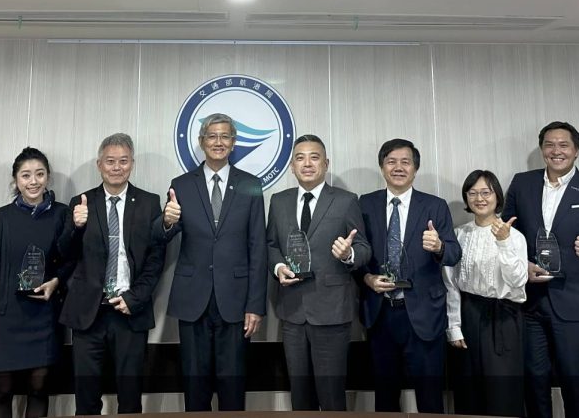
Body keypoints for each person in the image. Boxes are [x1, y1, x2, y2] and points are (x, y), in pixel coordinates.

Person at [502, 121, 579, 418]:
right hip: (530, 301)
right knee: (534, 384)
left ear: (576, 151)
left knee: (575, 386)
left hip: (577, 301)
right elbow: (506, 233)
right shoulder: (522, 184)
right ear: (542, 149)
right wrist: (521, 264)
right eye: (550, 145)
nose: (556, 151)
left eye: (564, 145)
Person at [154, 113, 267, 411]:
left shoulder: (250, 184)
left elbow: (258, 247)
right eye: (212, 136)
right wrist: (167, 221)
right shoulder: (181, 184)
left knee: (233, 388)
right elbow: (163, 234)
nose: (218, 142)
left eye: (225, 136)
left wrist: (255, 304)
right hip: (193, 299)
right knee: (195, 388)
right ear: (201, 141)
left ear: (234, 142)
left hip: (236, 300)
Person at [59, 133, 167, 415]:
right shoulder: (81, 201)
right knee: (86, 400)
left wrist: (135, 298)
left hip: (130, 312)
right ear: (99, 165)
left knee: (130, 400)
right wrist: (75, 227)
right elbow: (65, 254)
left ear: (132, 164)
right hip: (88, 313)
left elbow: (156, 259)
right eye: (110, 161)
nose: (117, 167)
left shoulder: (149, 202)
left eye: (123, 161)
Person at [266, 134, 370, 411]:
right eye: (300, 158)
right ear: (292, 166)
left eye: (314, 157)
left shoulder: (346, 201)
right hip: (292, 312)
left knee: (331, 396)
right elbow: (271, 245)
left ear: (326, 163)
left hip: (331, 311)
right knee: (300, 397)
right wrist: (278, 267)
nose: (307, 163)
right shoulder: (279, 201)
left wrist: (348, 254)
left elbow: (364, 248)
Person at [357, 138, 461, 413]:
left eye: (406, 162)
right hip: (380, 313)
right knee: (385, 397)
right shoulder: (365, 204)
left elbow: (454, 253)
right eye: (391, 161)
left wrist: (439, 247)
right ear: (382, 167)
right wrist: (367, 278)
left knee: (430, 398)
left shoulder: (435, 205)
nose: (398, 167)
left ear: (415, 168)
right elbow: (358, 253)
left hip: (424, 313)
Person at [0, 147, 71, 418]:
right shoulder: (1, 217)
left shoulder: (62, 213)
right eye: (26, 175)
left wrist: (56, 281)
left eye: (39, 174)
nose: (33, 181)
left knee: (38, 390)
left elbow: (70, 258)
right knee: (2, 391)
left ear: (48, 177)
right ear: (16, 180)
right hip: (5, 316)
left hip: (44, 315)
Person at [445, 169, 527, 417]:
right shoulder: (459, 235)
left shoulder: (514, 236)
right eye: (473, 193)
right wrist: (454, 326)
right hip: (469, 314)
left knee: (502, 392)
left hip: (503, 318)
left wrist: (503, 242)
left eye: (486, 192)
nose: (479, 198)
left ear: (497, 196)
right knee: (469, 392)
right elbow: (450, 283)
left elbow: (518, 281)